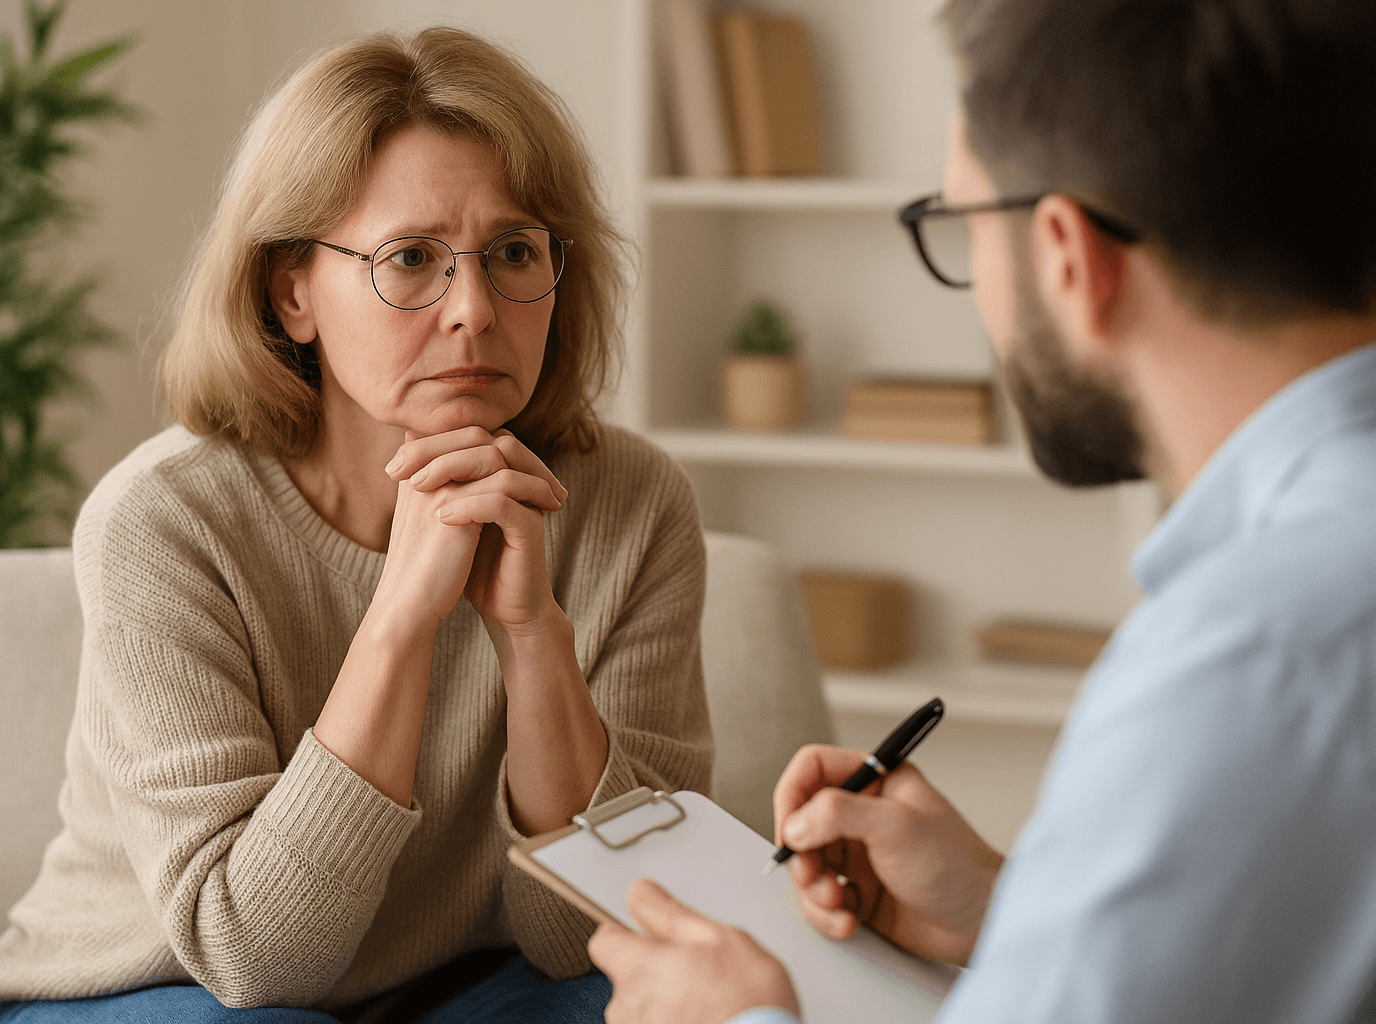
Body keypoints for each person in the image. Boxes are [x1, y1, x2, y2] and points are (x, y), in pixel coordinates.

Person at [588, 0, 1376, 1021]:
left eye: (960, 223)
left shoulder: (1244, 654)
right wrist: (1012, 909)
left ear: (1066, 254)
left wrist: (740, 1016)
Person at [0, 27, 714, 1024]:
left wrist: (534, 635)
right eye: (411, 258)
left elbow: (591, 935)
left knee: (660, 1003)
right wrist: (402, 616)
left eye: (513, 251)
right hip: (166, 991)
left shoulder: (633, 503)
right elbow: (254, 955)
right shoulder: (164, 522)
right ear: (291, 293)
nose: (474, 310)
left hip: (460, 990)